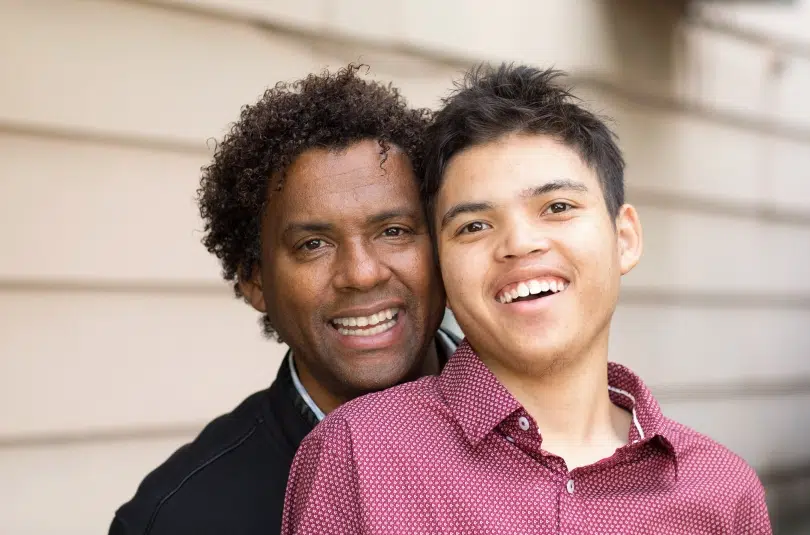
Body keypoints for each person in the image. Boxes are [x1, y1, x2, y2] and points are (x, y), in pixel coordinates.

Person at [281, 64, 772, 534]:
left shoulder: (722, 492)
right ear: (442, 269)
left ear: (624, 238)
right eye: (474, 225)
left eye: (557, 207)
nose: (519, 243)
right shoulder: (359, 455)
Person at [109, 65, 456, 535]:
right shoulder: (180, 520)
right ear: (254, 281)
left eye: (393, 231)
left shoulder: (555, 423)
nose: (361, 273)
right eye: (313, 244)